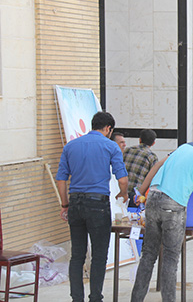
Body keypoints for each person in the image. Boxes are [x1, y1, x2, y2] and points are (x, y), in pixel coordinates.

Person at [131, 138, 193, 302]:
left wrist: (141, 192)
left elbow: (157, 166)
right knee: (170, 258)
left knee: (148, 255)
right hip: (173, 204)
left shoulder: (186, 146)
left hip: (152, 198)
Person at [56, 111, 128, 302]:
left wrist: (65, 205)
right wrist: (124, 193)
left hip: (76, 203)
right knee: (98, 254)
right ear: (108, 128)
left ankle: (76, 298)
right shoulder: (110, 146)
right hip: (98, 204)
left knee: (77, 255)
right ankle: (95, 297)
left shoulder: (70, 146)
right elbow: (122, 178)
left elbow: (62, 180)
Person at [123, 129, 158, 207]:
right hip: (137, 196)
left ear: (140, 139)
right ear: (153, 143)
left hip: (122, 192)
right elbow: (154, 178)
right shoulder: (152, 156)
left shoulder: (127, 150)